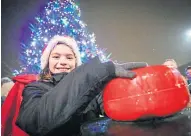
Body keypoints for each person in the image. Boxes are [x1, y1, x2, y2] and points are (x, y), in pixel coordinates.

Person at [16, 35, 148, 136]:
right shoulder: (35, 88)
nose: (62, 62)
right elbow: (36, 122)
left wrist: (140, 101)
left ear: (76, 62)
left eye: (69, 57)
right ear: (47, 62)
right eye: (56, 57)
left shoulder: (93, 88)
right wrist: (94, 73)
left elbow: (117, 109)